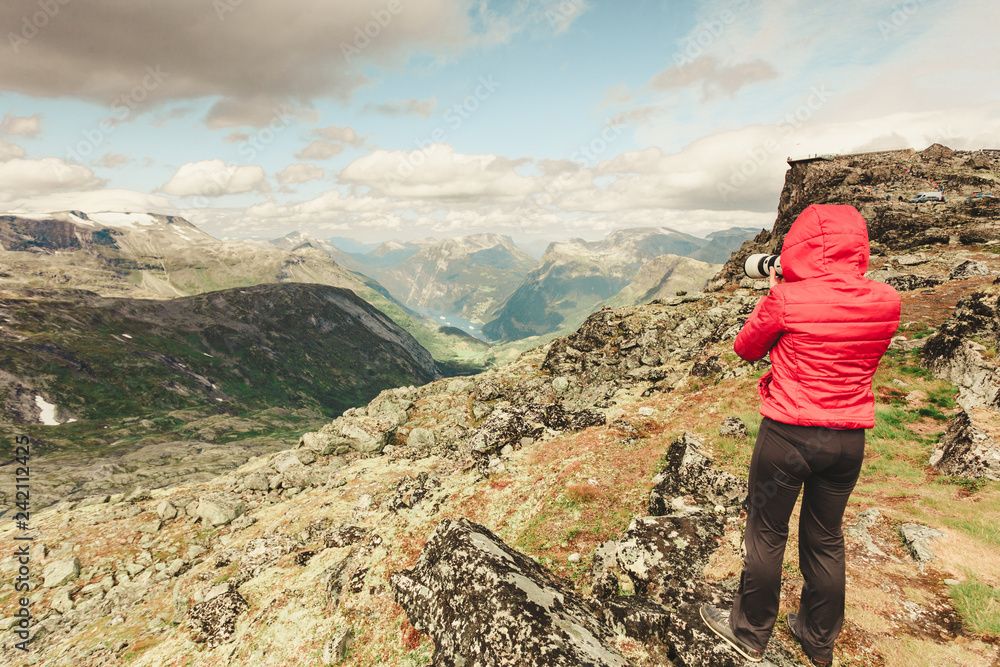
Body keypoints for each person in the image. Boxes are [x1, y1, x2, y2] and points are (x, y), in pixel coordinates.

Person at [700, 204, 901, 664]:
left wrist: (776, 294)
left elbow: (746, 348)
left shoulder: (787, 299)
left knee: (767, 531)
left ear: (800, 245)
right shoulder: (887, 299)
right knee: (826, 536)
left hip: (789, 436)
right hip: (848, 440)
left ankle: (750, 633)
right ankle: (818, 641)